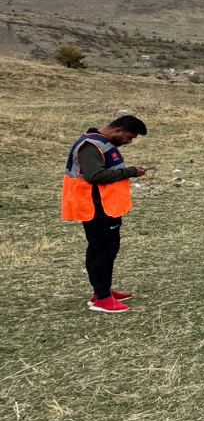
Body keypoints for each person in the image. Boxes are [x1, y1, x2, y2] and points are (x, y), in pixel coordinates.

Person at [62, 115, 148, 313]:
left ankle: (102, 291)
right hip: (95, 206)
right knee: (104, 249)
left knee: (102, 247)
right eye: (129, 137)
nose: (129, 141)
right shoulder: (91, 145)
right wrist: (130, 172)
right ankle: (102, 297)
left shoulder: (102, 142)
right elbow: (95, 176)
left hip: (104, 206)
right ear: (118, 130)